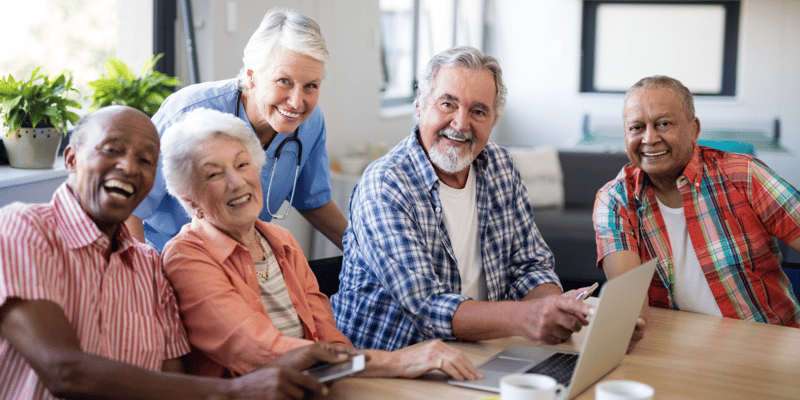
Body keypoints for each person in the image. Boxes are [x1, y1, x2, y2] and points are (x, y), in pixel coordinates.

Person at [0, 105, 360, 400]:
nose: (129, 167)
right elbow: (65, 372)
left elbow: (176, 381)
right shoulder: (24, 228)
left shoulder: (147, 266)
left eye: (145, 161)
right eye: (112, 150)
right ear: (71, 159)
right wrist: (234, 392)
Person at [158, 107, 481, 381]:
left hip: (315, 385)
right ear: (190, 201)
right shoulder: (187, 257)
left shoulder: (280, 240)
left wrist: (361, 366)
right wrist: (393, 361)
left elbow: (329, 337)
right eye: (214, 175)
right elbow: (257, 350)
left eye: (243, 165)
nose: (236, 182)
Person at [330, 46, 595, 351]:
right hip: (390, 364)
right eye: (447, 104)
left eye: (478, 111)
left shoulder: (500, 167)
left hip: (476, 351)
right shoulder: (385, 185)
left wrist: (556, 310)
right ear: (420, 106)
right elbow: (427, 306)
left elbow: (530, 266)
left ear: (493, 119)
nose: (460, 123)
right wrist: (527, 316)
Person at [593, 75, 800, 349]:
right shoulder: (615, 200)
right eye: (637, 127)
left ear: (694, 129)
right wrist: (612, 319)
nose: (649, 139)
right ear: (625, 135)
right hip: (676, 349)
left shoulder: (745, 175)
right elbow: (631, 310)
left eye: (663, 124)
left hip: (769, 345)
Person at [127, 8, 347, 252]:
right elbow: (130, 207)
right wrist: (144, 279)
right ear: (252, 77)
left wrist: (364, 252)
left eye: (310, 86)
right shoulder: (185, 114)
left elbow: (313, 200)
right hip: (168, 260)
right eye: (284, 81)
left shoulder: (310, 123)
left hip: (241, 262)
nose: (297, 102)